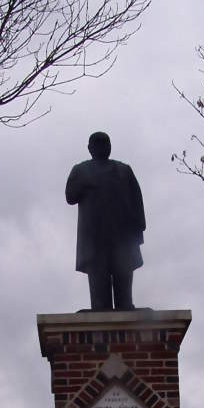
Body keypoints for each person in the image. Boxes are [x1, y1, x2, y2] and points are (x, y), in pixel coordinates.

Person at [66, 131, 146, 310]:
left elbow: (136, 200)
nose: (103, 146)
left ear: (111, 146)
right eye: (98, 143)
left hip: (122, 236)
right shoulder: (81, 170)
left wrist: (138, 228)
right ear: (89, 148)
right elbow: (70, 196)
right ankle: (100, 309)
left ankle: (125, 305)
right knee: (98, 281)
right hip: (95, 237)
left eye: (106, 143)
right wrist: (86, 184)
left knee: (123, 277)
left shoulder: (124, 170)